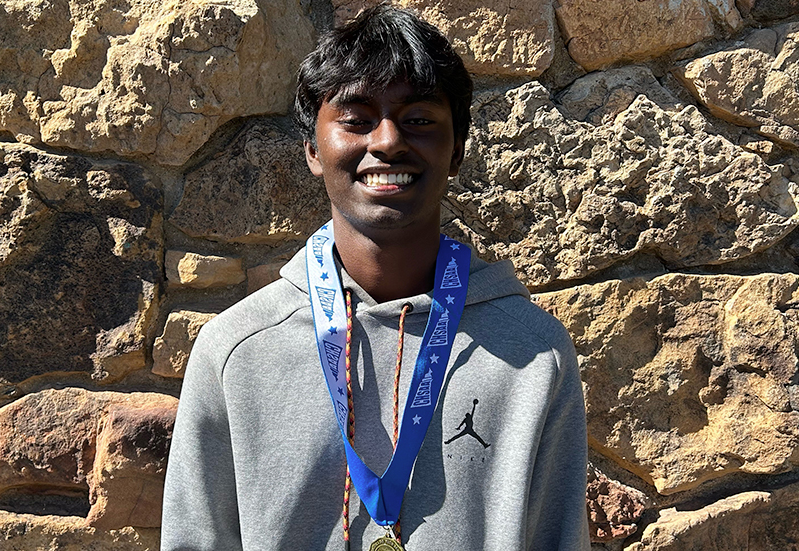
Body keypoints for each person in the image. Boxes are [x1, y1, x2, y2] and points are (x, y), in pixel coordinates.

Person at [161, 5, 589, 550]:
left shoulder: (535, 354)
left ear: (457, 150)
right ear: (313, 150)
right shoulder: (236, 351)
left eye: (419, 119)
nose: (387, 141)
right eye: (356, 119)